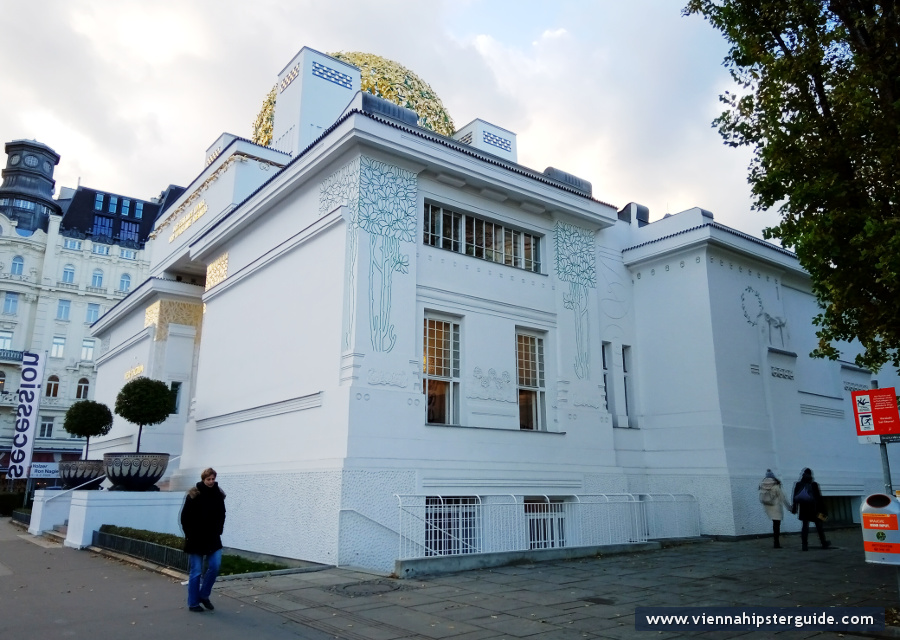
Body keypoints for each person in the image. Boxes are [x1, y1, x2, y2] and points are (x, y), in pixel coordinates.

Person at [180, 467, 226, 612]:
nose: (211, 481)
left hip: (213, 538)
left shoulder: (218, 494)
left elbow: (222, 514)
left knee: (215, 566)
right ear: (203, 479)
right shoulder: (194, 494)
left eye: (213, 479)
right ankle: (193, 603)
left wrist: (219, 530)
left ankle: (204, 595)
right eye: (208, 479)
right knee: (196, 571)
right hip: (195, 539)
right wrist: (189, 534)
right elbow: (185, 517)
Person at [791, 467, 831, 551]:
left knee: (805, 527)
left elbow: (795, 497)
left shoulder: (799, 484)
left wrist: (795, 508)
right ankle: (823, 543)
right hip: (814, 509)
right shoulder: (814, 484)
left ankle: (804, 545)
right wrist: (823, 511)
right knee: (819, 526)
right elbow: (819, 499)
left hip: (803, 509)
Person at [758, 469, 792, 548]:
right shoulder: (776, 486)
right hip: (776, 508)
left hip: (768, 507)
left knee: (774, 524)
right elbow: (783, 498)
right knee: (777, 525)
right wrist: (789, 508)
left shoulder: (762, 485)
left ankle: (776, 541)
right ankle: (776, 542)